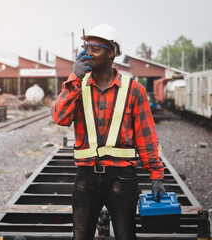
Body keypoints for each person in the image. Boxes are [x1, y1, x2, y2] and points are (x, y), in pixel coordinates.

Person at [51, 23, 165, 240]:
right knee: (81, 236)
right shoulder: (78, 86)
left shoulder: (134, 90)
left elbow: (146, 136)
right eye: (85, 48)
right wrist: (72, 79)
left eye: (95, 49)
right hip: (86, 178)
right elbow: (59, 117)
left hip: (122, 179)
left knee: (125, 236)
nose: (88, 54)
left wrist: (156, 175)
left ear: (111, 53)